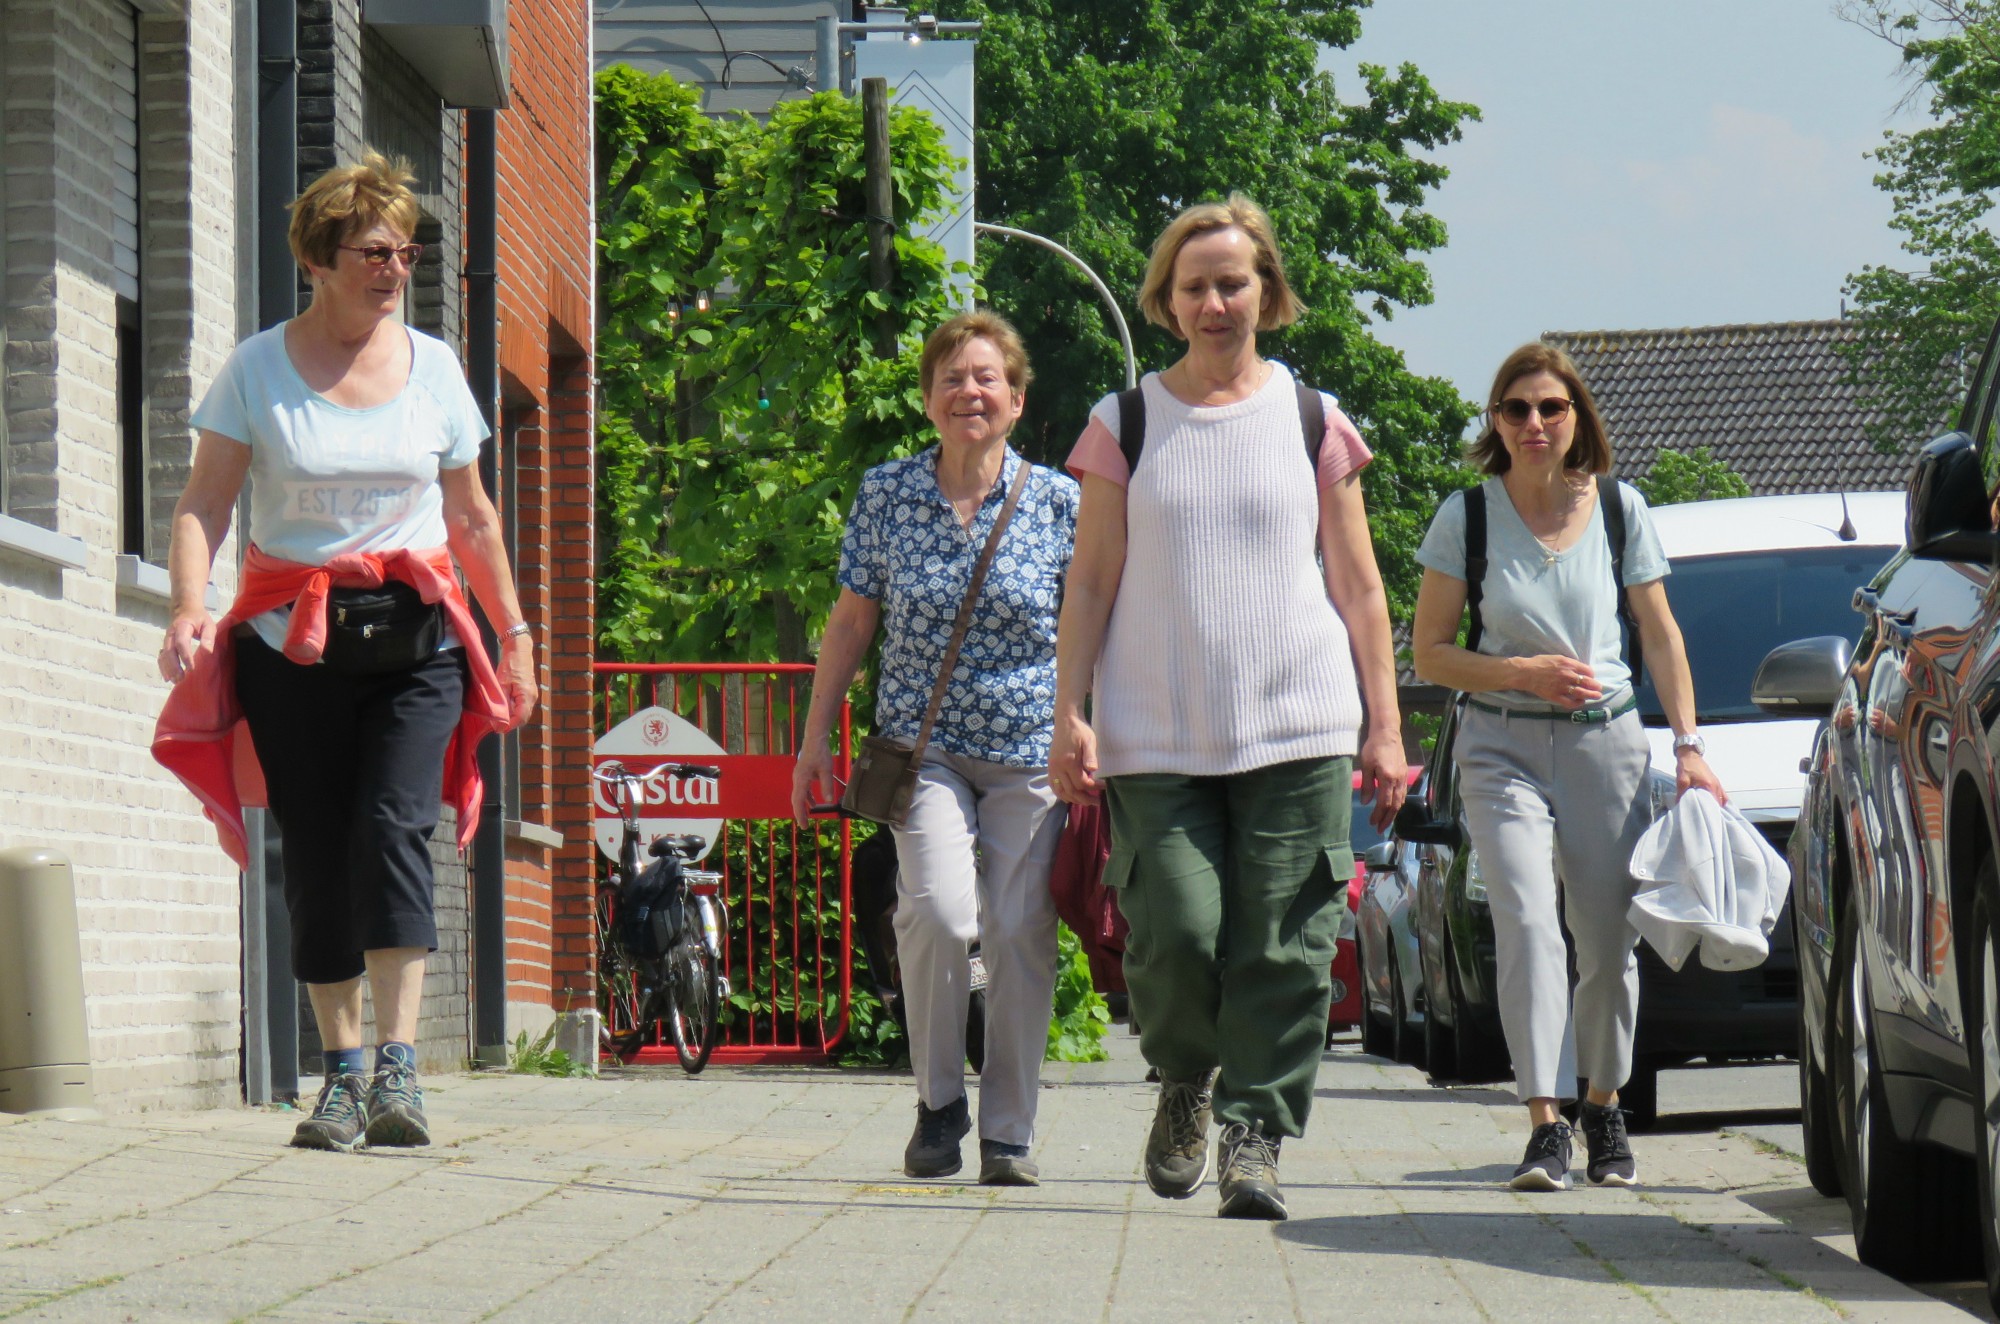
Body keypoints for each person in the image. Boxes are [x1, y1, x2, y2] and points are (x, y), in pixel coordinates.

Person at [152, 152, 535, 1153]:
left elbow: (473, 515)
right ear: (318, 259)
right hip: (293, 643)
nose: (394, 268)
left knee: (396, 823)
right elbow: (204, 503)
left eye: (405, 251)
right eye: (374, 251)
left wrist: (518, 635)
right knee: (316, 849)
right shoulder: (258, 368)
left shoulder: (438, 368)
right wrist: (190, 607)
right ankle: (342, 1072)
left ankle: (400, 1067)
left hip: (415, 641)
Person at [1049, 193, 1408, 1222]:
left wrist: (1382, 726)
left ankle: (1255, 1133)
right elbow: (1089, 582)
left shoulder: (1311, 420)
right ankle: (1185, 1078)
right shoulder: (1122, 423)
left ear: (1266, 292)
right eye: (1194, 285)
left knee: (1284, 945)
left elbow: (1358, 584)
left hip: (1295, 724)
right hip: (1153, 734)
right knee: (1175, 931)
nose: (1215, 301)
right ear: (1164, 301)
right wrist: (1067, 712)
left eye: (1233, 282)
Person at [1410, 342, 1725, 1191]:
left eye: (1550, 407)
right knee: (1524, 922)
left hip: (1604, 741)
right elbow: (1430, 654)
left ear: (1578, 416)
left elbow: (1659, 635)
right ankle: (1545, 1123)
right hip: (1500, 743)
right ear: (1496, 424)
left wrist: (1690, 746)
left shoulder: (1621, 509)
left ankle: (1605, 1103)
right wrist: (1520, 672)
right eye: (1516, 410)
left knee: (1605, 935)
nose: (1534, 423)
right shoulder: (1467, 518)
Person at [791, 310, 1078, 1187]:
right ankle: (939, 1102)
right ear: (927, 400)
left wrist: (1086, 720)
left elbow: (1093, 622)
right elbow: (850, 624)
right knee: (942, 915)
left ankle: (1010, 1132)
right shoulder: (888, 494)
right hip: (923, 754)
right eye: (952, 378)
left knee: (1023, 928)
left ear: (1018, 400)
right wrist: (812, 744)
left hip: (1031, 749)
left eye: (987, 378)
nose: (970, 392)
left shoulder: (1062, 502)